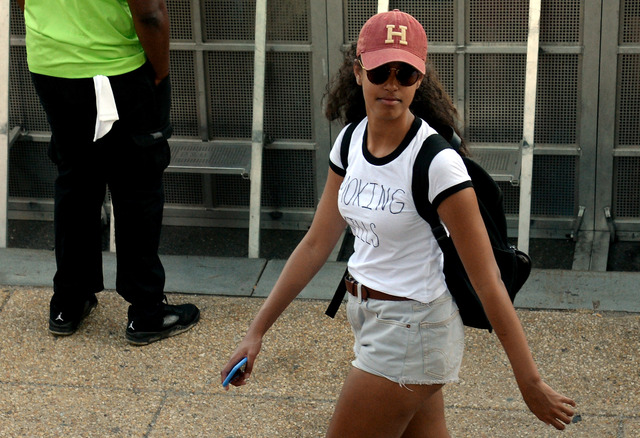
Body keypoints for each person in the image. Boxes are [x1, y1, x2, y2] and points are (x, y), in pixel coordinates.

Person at [222, 10, 575, 436]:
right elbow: (317, 243)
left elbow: (488, 282)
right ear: (358, 72)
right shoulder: (350, 141)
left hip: (412, 331)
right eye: (379, 71)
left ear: (419, 79)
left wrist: (529, 382)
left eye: (405, 73)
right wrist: (256, 331)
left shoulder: (437, 164)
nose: (391, 84)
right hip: (371, 318)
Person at [19, 0, 200, 345]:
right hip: (118, 67)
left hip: (49, 63)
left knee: (75, 179)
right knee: (137, 184)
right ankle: (147, 311)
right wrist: (160, 74)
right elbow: (149, 13)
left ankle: (68, 303)